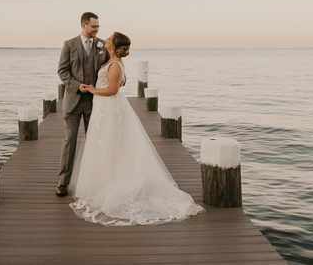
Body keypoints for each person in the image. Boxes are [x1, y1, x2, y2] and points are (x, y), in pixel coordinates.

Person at [69, 32, 205, 226]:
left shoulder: (115, 64)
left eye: (109, 39)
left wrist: (92, 90)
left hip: (108, 107)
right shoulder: (112, 61)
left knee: (111, 143)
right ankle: (105, 181)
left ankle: (115, 184)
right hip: (103, 108)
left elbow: (113, 90)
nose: (105, 40)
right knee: (106, 144)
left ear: (114, 47)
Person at [56, 12, 110, 197]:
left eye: (98, 26)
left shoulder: (103, 45)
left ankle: (94, 181)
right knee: (69, 142)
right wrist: (77, 86)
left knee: (94, 142)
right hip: (73, 102)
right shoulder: (69, 44)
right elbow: (62, 71)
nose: (97, 29)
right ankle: (63, 182)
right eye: (94, 26)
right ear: (84, 25)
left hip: (95, 103)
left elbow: (112, 66)